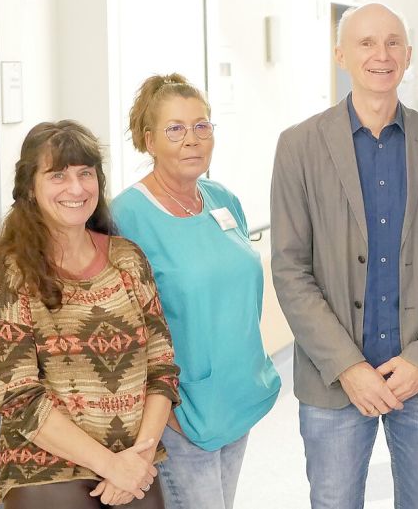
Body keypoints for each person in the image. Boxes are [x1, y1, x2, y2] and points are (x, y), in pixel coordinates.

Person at [270, 3, 418, 509]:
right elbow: (290, 269)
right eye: (366, 43)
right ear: (341, 53)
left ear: (407, 56)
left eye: (392, 43)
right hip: (335, 382)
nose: (380, 54)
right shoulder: (299, 147)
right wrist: (348, 367)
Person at [0, 120, 179, 508]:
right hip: (47, 472)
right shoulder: (11, 272)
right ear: (29, 189)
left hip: (134, 465)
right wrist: (110, 465)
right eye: (57, 176)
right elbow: (18, 398)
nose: (76, 188)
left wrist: (137, 458)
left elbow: (162, 368)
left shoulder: (127, 258)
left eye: (85, 173)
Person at [112, 73, 281, 509]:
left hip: (236, 398)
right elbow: (118, 332)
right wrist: (165, 414)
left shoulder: (222, 199)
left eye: (202, 126)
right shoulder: (126, 217)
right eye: (175, 129)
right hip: (180, 413)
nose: (192, 140)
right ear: (148, 140)